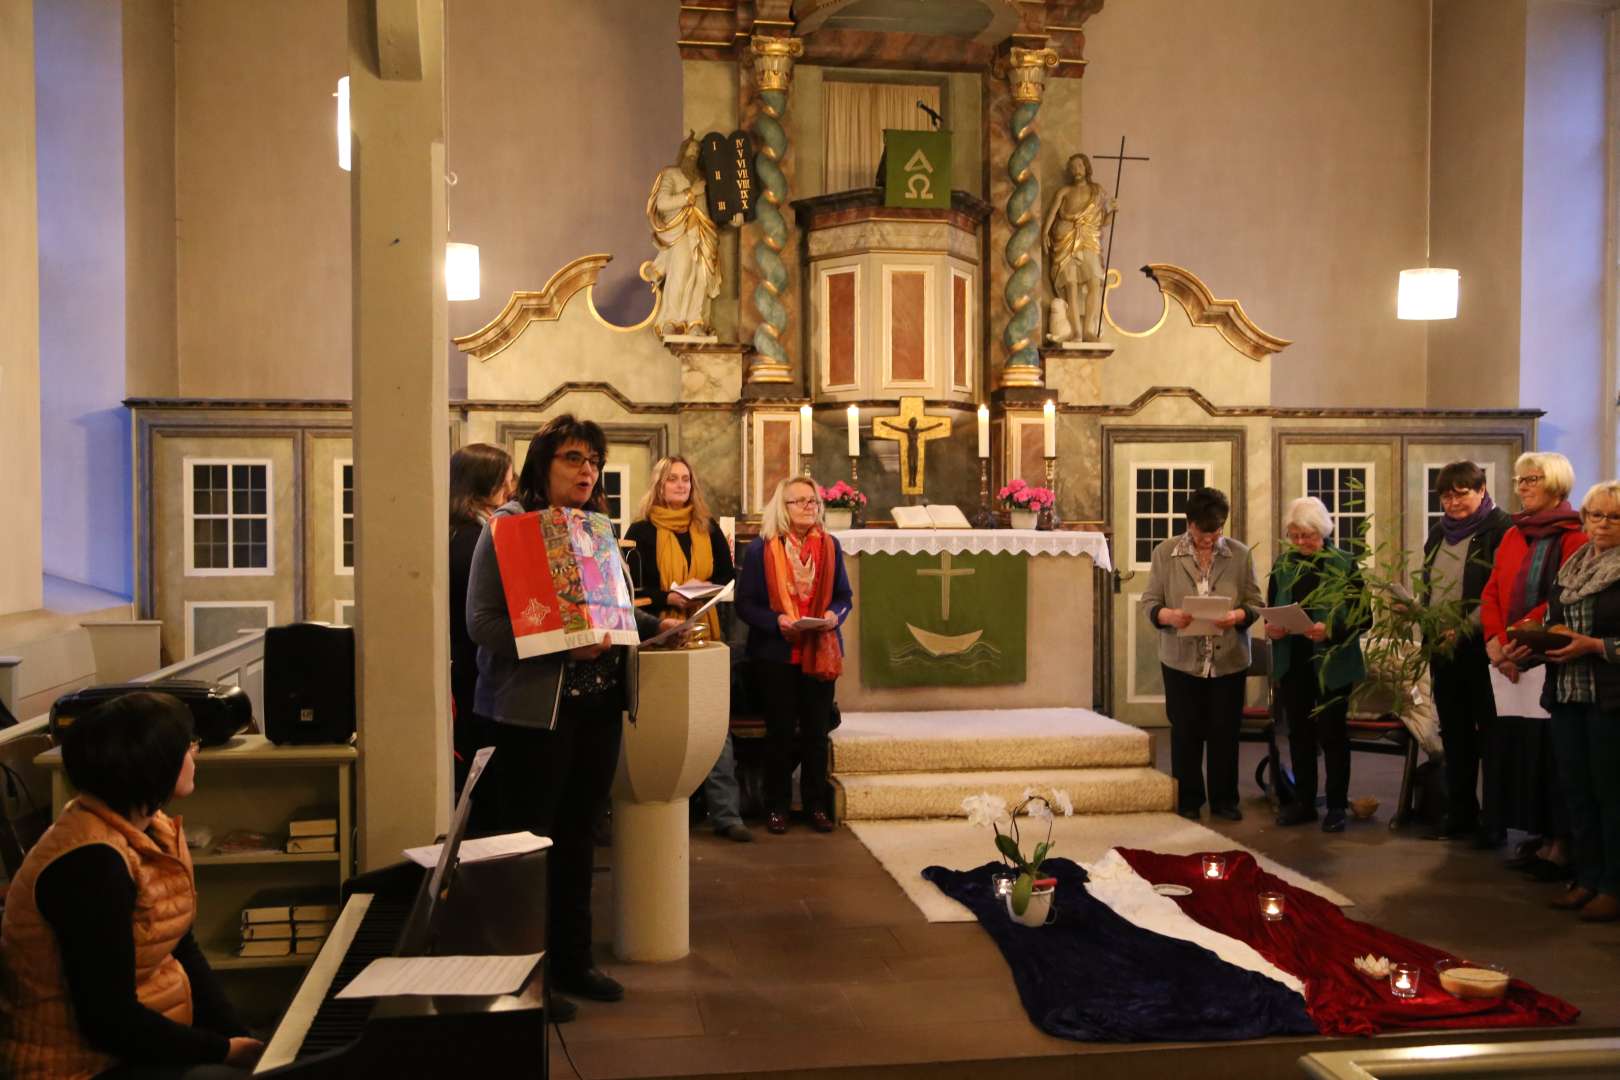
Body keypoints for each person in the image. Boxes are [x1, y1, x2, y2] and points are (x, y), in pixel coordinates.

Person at [465, 414, 676, 1015]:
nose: (587, 471)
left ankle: (574, 961)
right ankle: (527, 977)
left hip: (599, 709)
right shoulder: (507, 528)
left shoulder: (596, 528)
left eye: (593, 462)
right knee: (530, 847)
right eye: (574, 459)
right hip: (533, 717)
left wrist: (659, 628)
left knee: (581, 839)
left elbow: (612, 612)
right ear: (542, 465)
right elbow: (481, 625)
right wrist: (563, 644)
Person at [0, 692, 262, 1080]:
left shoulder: (148, 828)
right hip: (76, 1067)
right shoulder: (89, 864)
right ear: (152, 765)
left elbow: (181, 947)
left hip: (128, 1048)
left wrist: (240, 1039)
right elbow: (107, 1019)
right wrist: (222, 1051)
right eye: (188, 746)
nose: (195, 753)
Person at [623, 456, 751, 843]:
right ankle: (670, 804)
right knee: (665, 722)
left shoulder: (707, 527)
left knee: (714, 724)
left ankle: (726, 814)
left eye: (686, 480)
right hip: (660, 634)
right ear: (659, 485)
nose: (680, 486)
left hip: (705, 630)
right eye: (672, 480)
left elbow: (727, 580)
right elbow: (634, 591)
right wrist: (671, 595)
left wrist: (702, 591)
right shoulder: (640, 531)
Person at [1484, 452, 1587, 862]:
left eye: (1532, 479)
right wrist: (1495, 640)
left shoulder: (1574, 534)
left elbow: (1559, 598)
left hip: (1548, 657)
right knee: (1522, 749)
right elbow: (1493, 590)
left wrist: (1517, 638)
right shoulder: (1513, 533)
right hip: (1509, 657)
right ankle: (1540, 835)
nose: (1522, 486)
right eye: (1520, 479)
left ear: (1556, 483)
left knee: (1551, 755)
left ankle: (1562, 842)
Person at [736, 476, 853, 836]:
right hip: (776, 654)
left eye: (813, 501)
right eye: (799, 501)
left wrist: (834, 616)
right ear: (781, 508)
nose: (808, 507)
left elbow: (844, 597)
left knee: (817, 733)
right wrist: (777, 621)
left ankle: (816, 805)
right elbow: (745, 605)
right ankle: (777, 807)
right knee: (781, 733)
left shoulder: (830, 546)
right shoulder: (762, 549)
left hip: (820, 651)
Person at [1139, 487, 1262, 822]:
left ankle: (1225, 800)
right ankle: (1189, 799)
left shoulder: (1239, 554)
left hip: (1228, 658)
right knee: (1185, 730)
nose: (1210, 538)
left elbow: (1255, 603)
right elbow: (1150, 603)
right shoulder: (1166, 553)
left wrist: (1236, 617)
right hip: (1181, 657)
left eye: (1217, 530)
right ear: (1189, 524)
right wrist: (1170, 617)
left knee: (1225, 732)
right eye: (1204, 531)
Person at [1418, 461, 1514, 845]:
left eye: (1461, 492)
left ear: (1481, 489)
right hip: (1444, 650)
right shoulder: (1439, 532)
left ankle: (1495, 822)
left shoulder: (1502, 529)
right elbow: (1433, 586)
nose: (1453, 501)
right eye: (1445, 494)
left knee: (1492, 737)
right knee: (1455, 735)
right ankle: (1460, 813)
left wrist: (1463, 629)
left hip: (1484, 648)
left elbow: (1499, 590)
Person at [1538, 481, 1620, 922]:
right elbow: (1557, 623)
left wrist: (1593, 645)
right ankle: (1586, 879)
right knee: (1578, 792)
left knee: (1611, 794)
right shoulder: (1574, 565)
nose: (1602, 524)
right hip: (1568, 694)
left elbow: (1595, 639)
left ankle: (1613, 885)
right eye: (1595, 515)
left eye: (1613, 516)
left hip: (1610, 699)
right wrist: (1532, 643)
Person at [1264, 497, 1370, 833]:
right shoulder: (1283, 565)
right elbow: (1272, 607)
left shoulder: (1344, 563)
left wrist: (1331, 630)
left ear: (1323, 531)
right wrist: (1272, 628)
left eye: (1307, 535)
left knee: (1333, 734)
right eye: (1294, 535)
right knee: (1298, 734)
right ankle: (1304, 802)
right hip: (1293, 661)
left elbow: (1363, 618)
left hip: (1332, 663)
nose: (1300, 543)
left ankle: (1336, 805)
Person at [449, 442, 514, 812]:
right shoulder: (478, 540)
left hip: (463, 666)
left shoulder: (457, 533)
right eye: (504, 483)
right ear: (482, 484)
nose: (511, 491)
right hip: (475, 671)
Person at [645, 131, 721, 337]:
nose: (694, 155)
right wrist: (690, 194)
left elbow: (714, 206)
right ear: (683, 151)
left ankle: (695, 321)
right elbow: (662, 203)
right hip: (681, 231)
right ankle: (671, 320)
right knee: (681, 272)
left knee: (701, 276)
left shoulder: (704, 180)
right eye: (691, 150)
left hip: (703, 230)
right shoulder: (671, 174)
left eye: (697, 151)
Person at [1043, 152, 1115, 343]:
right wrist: (1044, 233)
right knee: (1071, 286)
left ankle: (1088, 331)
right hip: (1066, 237)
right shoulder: (1064, 192)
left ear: (1086, 168)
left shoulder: (1097, 191)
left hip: (1089, 238)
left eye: (1080, 166)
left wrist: (1114, 211)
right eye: (1073, 167)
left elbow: (1104, 221)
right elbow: (1052, 214)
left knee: (1094, 282)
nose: (1076, 170)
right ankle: (1076, 332)